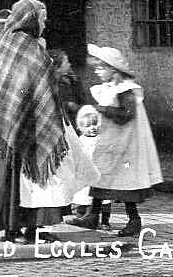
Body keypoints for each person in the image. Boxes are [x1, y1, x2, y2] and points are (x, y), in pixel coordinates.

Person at [0, 0, 68, 244]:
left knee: (10, 178)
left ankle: (11, 229)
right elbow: (39, 85)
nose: (45, 23)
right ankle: (28, 229)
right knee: (26, 179)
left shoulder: (7, 42)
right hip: (25, 124)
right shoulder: (31, 48)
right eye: (42, 18)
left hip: (4, 122)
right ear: (31, 19)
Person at [69, 44, 162, 237]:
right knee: (100, 174)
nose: (97, 71)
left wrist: (102, 110)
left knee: (125, 182)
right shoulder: (107, 89)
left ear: (114, 69)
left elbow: (126, 114)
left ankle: (134, 219)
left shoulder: (126, 89)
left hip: (126, 144)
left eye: (101, 67)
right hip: (111, 142)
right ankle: (93, 214)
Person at [70, 106, 111, 228]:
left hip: (101, 174)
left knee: (104, 199)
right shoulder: (80, 141)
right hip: (86, 174)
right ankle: (81, 216)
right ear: (80, 128)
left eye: (94, 124)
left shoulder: (102, 139)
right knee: (82, 195)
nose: (92, 128)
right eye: (87, 126)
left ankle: (105, 221)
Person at [48, 49, 85, 128]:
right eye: (66, 62)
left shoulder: (72, 80)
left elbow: (82, 100)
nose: (69, 64)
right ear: (57, 68)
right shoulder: (49, 86)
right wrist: (67, 105)